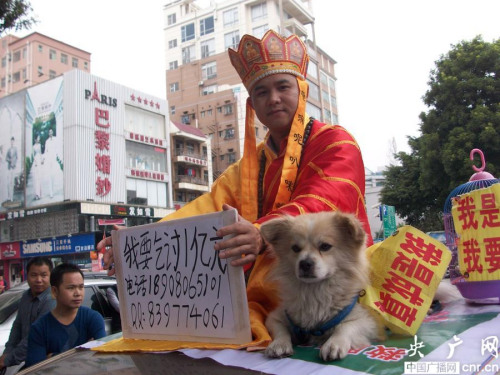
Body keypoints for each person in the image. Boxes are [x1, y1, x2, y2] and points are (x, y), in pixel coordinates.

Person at [98, 29, 372, 343]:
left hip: (341, 299)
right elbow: (198, 213)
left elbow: (325, 199)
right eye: (261, 92)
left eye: (283, 86)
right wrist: (134, 246)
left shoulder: (336, 142)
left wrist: (260, 231)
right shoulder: (246, 168)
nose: (273, 99)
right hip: (271, 302)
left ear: (302, 90)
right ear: (252, 103)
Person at [25, 263, 106, 368]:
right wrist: (84, 352)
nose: (78, 293)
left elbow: (102, 359)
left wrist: (53, 358)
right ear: (54, 291)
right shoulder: (39, 328)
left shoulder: (93, 318)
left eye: (81, 287)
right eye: (71, 288)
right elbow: (36, 369)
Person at [0, 257, 55, 372]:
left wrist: (8, 359)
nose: (39, 280)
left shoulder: (51, 299)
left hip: (49, 363)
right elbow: (17, 326)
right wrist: (7, 352)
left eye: (44, 275)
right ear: (27, 275)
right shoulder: (26, 296)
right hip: (31, 362)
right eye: (34, 275)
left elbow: (36, 336)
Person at [5, 137, 18, 202]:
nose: (12, 142)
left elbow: (17, 157)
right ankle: (9, 196)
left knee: (12, 183)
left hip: (13, 168)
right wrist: (9, 160)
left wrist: (14, 164)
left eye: (13, 141)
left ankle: (12, 197)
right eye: (11, 141)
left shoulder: (15, 149)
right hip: (9, 167)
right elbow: (6, 158)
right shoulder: (8, 149)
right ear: (10, 142)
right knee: (8, 182)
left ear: (14, 142)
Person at [32, 134, 43, 200]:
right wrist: (35, 162)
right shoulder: (33, 147)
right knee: (36, 178)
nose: (38, 139)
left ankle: (39, 194)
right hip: (36, 161)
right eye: (38, 138)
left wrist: (41, 160)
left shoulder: (39, 145)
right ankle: (36, 194)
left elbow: (41, 153)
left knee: (39, 177)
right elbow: (33, 155)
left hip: (39, 161)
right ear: (35, 139)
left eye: (39, 138)